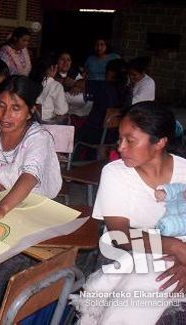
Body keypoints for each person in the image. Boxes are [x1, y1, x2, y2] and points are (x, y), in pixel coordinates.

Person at [72, 102, 186, 324]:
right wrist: (174, 247)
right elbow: (119, 236)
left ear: (160, 142)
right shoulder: (115, 174)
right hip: (126, 252)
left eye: (130, 141)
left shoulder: (184, 171)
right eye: (119, 138)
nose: (120, 147)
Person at [0, 75, 62, 227]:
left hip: (31, 206)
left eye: (16, 108)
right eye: (1, 105)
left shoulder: (39, 138)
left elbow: (29, 177)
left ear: (30, 111)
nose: (5, 115)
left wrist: (1, 208)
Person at [29, 54, 69, 121]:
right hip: (45, 124)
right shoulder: (56, 86)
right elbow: (61, 111)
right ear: (53, 68)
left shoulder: (28, 82)